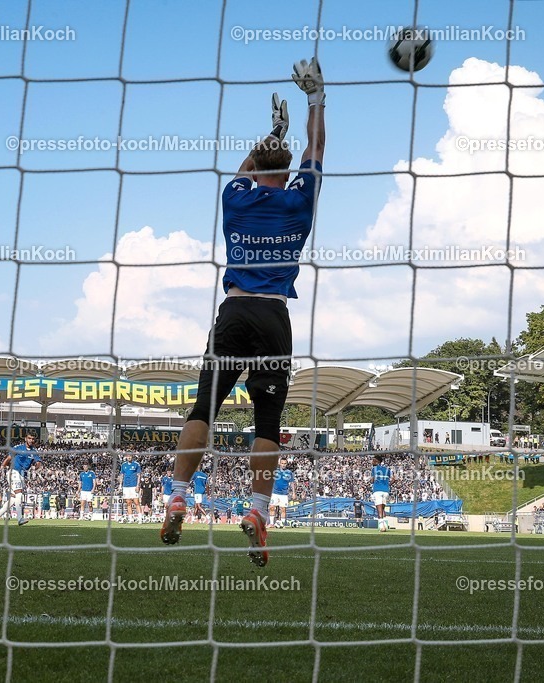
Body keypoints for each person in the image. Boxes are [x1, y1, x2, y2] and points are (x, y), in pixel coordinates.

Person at [160, 57, 326, 570]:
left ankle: (178, 497)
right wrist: (315, 100)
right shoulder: (300, 202)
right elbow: (315, 149)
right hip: (274, 316)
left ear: (256, 166)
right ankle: (256, 514)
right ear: (288, 171)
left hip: (232, 312)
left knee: (203, 411)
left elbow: (247, 168)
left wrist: (270, 134)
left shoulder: (235, 198)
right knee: (268, 420)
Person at [0, 431, 41, 526]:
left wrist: (36, 466)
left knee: (13, 499)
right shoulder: (18, 448)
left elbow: (38, 462)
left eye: (33, 439)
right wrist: (1, 468)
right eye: (29, 438)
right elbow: (9, 458)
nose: (31, 440)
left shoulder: (34, 452)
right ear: (26, 438)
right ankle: (19, 518)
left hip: (22, 475)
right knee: (19, 494)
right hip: (14, 471)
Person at [270, 459, 294, 528]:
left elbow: (292, 483)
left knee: (283, 509)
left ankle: (282, 524)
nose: (283, 464)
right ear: (279, 463)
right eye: (282, 463)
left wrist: (294, 493)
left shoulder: (289, 472)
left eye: (285, 463)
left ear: (286, 464)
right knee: (272, 507)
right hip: (275, 493)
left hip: (284, 494)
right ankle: (271, 524)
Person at [119, 453, 142, 523]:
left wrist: (138, 485)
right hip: (126, 486)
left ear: (132, 457)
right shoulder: (123, 465)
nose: (129, 457)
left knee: (136, 502)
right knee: (128, 503)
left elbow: (139, 475)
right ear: (126, 457)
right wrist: (120, 484)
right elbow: (122, 475)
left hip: (133, 485)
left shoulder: (136, 464)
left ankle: (140, 518)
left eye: (130, 456)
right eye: (128, 456)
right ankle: (131, 518)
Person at [371, 455, 393, 531]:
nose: (372, 462)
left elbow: (372, 480)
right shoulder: (387, 469)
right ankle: (386, 526)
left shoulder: (374, 469)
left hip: (377, 491)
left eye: (373, 460)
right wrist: (388, 485)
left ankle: (381, 527)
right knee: (383, 509)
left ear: (377, 461)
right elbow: (395, 479)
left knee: (379, 510)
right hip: (386, 491)